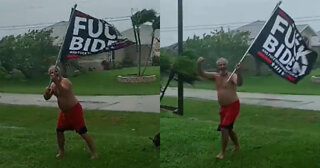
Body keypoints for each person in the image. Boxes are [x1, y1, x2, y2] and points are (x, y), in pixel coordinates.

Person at [43, 65, 98, 159]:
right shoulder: (52, 85)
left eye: (56, 71)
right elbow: (46, 98)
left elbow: (64, 91)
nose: (54, 74)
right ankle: (61, 151)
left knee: (82, 132)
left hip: (74, 110)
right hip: (64, 112)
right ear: (49, 75)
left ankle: (94, 153)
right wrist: (46, 93)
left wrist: (57, 82)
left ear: (59, 72)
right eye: (51, 72)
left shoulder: (66, 81)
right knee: (59, 131)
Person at [197, 57, 243, 159]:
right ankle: (237, 145)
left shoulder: (232, 75)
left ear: (226, 65)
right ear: (218, 66)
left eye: (224, 64)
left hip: (233, 105)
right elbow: (202, 73)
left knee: (224, 128)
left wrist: (239, 72)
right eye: (220, 65)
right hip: (223, 107)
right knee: (229, 129)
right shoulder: (215, 76)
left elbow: (239, 83)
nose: (222, 66)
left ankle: (222, 153)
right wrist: (199, 64)